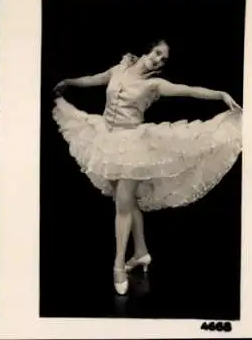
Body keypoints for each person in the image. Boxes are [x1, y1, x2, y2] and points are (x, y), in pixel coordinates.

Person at [52, 40, 242, 296]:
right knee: (127, 202)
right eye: (156, 54)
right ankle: (141, 252)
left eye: (163, 60)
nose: (157, 61)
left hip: (133, 144)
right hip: (106, 139)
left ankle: (118, 265)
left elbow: (189, 90)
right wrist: (69, 82)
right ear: (146, 50)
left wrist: (220, 95)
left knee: (122, 202)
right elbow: (93, 79)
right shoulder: (118, 69)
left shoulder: (154, 85)